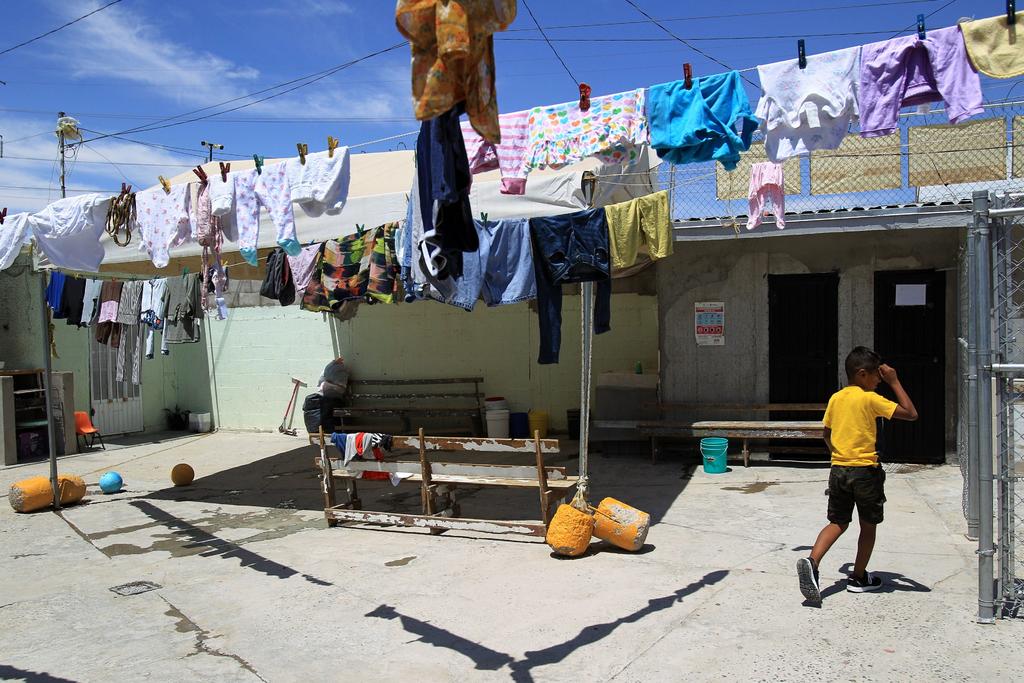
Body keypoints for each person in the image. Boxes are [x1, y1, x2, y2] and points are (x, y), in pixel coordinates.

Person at [797, 346, 918, 602]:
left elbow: (827, 434)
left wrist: (838, 455)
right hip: (865, 472)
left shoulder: (836, 398)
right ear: (862, 374)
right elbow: (910, 413)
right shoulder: (870, 399)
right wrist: (894, 381)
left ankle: (812, 562)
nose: (879, 381)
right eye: (876, 376)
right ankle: (859, 577)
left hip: (839, 469)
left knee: (837, 522)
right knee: (868, 525)